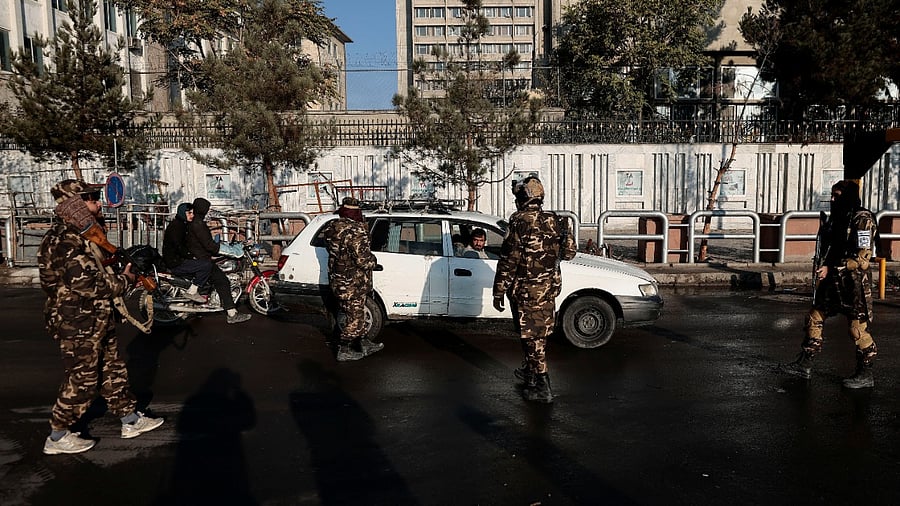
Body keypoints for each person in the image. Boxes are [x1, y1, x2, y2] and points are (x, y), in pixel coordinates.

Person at [38, 179, 164, 455]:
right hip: (78, 322)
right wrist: (124, 280)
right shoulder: (65, 239)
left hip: (96, 317)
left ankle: (130, 420)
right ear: (73, 204)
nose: (98, 201)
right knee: (82, 379)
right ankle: (57, 436)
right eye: (91, 197)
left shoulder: (82, 235)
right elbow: (87, 284)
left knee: (113, 370)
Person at [780, 180, 879, 388]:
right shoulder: (837, 219)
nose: (833, 200)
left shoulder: (863, 220)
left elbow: (862, 260)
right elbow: (830, 248)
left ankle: (865, 373)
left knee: (857, 329)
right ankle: (805, 363)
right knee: (814, 317)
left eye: (837, 196)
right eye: (832, 196)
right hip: (833, 281)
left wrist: (833, 268)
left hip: (853, 283)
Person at [492, 176, 577, 403]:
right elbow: (569, 253)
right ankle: (531, 374)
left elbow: (509, 260)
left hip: (526, 291)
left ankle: (542, 384)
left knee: (531, 337)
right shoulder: (556, 220)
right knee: (538, 334)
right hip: (548, 288)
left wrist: (498, 290)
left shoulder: (519, 221)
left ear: (523, 197)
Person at [323, 197, 384, 361]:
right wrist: (374, 262)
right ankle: (344, 348)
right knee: (356, 317)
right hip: (353, 282)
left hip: (338, 279)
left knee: (353, 313)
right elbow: (362, 259)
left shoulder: (332, 227)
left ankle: (363, 342)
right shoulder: (356, 230)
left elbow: (333, 249)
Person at [187, 198, 251, 324]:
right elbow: (209, 245)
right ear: (203, 210)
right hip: (202, 260)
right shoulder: (198, 224)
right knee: (223, 282)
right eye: (207, 209)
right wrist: (227, 250)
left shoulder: (194, 222)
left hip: (198, 257)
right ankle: (232, 314)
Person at [162, 202, 209, 303]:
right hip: (176, 262)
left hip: (177, 259)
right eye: (189, 213)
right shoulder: (177, 227)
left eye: (192, 213)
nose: (192, 216)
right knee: (206, 265)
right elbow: (179, 246)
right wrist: (191, 256)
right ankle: (193, 291)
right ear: (183, 213)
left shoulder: (182, 224)